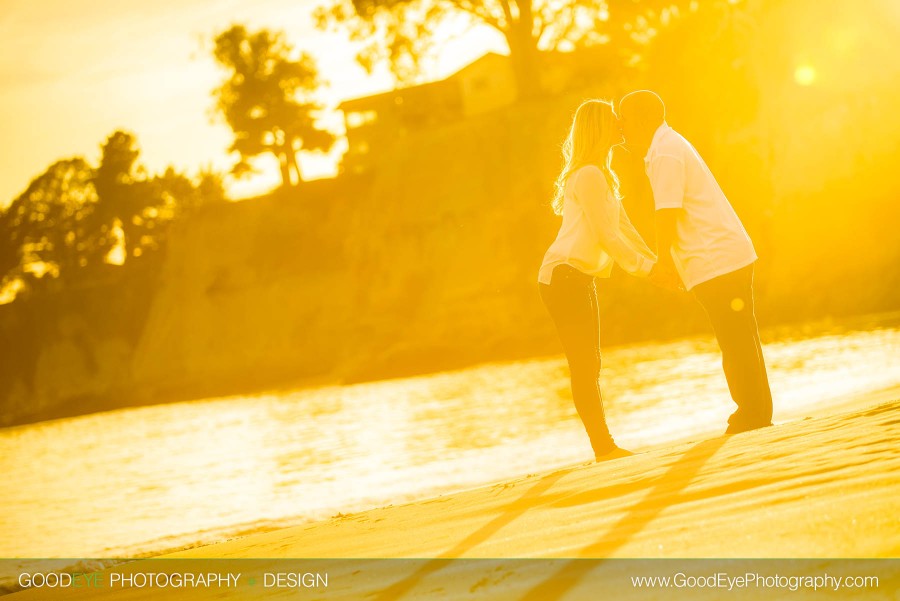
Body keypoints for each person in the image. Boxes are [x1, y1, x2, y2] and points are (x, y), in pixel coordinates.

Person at [617, 90, 774, 434]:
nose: (620, 127)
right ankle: (755, 410)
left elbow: (667, 211)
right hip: (722, 254)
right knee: (741, 337)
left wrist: (663, 262)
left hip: (716, 258)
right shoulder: (667, 147)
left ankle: (752, 413)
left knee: (734, 339)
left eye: (623, 119)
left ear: (642, 119)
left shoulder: (665, 154)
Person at [538, 99, 657, 461]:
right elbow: (607, 236)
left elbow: (624, 228)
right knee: (585, 365)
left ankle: (604, 446)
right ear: (598, 128)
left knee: (591, 364)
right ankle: (603, 448)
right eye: (613, 120)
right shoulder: (589, 175)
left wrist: (657, 264)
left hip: (576, 276)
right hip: (563, 275)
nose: (621, 124)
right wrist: (648, 270)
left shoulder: (601, 174)